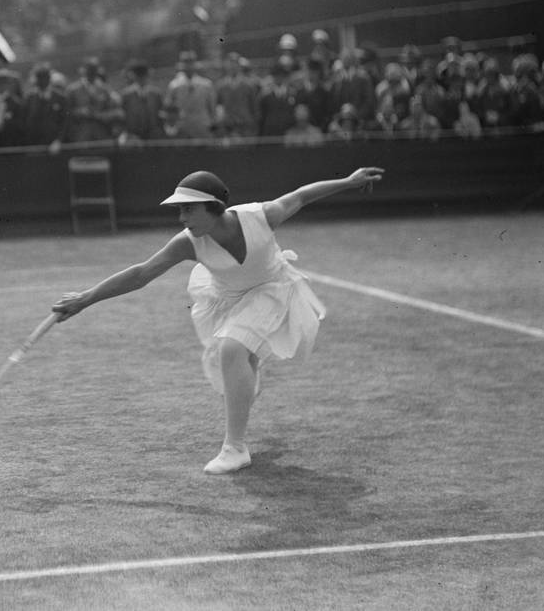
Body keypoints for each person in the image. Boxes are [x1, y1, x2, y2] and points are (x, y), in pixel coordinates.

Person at [52, 167, 385, 474]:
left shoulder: (262, 216)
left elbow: (300, 196)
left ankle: (235, 449)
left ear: (213, 206)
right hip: (228, 299)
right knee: (232, 363)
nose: (182, 218)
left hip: (273, 290)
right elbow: (141, 273)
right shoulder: (187, 242)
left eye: (188, 209)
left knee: (231, 349)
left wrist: (348, 182)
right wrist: (85, 299)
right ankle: (247, 383)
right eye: (180, 210)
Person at [165, 54, 215, 139]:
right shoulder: (174, 86)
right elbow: (169, 107)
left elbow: (212, 108)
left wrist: (212, 124)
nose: (188, 67)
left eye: (191, 63)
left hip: (202, 126)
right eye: (186, 63)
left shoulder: (206, 85)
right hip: (182, 128)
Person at [22, 64, 70, 148]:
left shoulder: (60, 98)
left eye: (44, 77)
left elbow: (65, 122)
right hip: (33, 143)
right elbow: (25, 121)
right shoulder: (29, 98)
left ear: (49, 78)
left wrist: (58, 140)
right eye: (39, 78)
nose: (42, 81)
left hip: (54, 144)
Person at [118, 60, 164, 145]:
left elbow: (160, 115)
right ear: (134, 76)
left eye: (143, 75)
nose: (141, 79)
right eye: (139, 76)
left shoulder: (156, 94)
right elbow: (123, 116)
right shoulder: (126, 95)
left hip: (153, 137)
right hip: (133, 136)